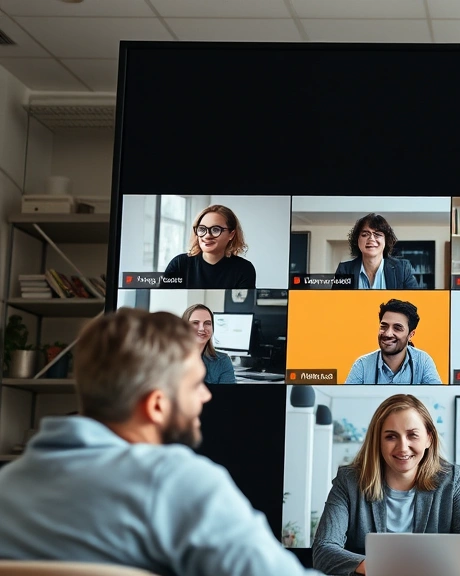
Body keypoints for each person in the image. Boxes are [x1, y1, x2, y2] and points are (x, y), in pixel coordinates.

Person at [0, 308, 320, 575]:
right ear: (156, 405)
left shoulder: (8, 484)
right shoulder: (175, 481)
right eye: (195, 384)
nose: (207, 394)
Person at [312, 394, 460, 576]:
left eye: (412, 435)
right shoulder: (349, 481)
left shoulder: (452, 480)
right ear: (378, 441)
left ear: (429, 439)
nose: (403, 447)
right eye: (391, 437)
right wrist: (376, 566)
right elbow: (323, 550)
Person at [344, 299, 443, 384]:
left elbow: (436, 401)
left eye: (397, 328)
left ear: (410, 335)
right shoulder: (362, 365)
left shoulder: (423, 362)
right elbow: (346, 402)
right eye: (384, 326)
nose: (388, 334)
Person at [163, 204, 257, 289]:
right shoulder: (179, 264)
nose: (207, 235)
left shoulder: (244, 269)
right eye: (202, 229)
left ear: (231, 234)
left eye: (216, 230)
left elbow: (243, 307)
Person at [334, 213, 419, 289]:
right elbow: (335, 303)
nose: (371, 239)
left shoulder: (402, 269)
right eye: (365, 235)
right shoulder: (344, 270)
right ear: (357, 240)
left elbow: (415, 302)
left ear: (386, 240)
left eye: (377, 234)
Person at [183, 303, 237, 384]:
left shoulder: (222, 361)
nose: (202, 328)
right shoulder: (168, 359)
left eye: (207, 323)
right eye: (195, 323)